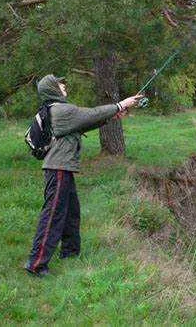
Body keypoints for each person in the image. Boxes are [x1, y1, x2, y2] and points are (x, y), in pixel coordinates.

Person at [25, 74, 143, 277]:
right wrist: (120, 104)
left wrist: (112, 116)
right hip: (58, 169)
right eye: (60, 84)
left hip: (63, 168)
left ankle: (70, 253)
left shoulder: (59, 110)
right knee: (53, 215)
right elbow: (91, 114)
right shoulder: (61, 110)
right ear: (53, 89)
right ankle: (36, 264)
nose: (64, 86)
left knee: (71, 213)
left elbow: (83, 123)